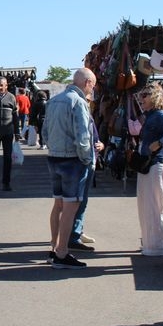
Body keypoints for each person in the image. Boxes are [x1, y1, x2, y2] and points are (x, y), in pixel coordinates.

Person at [42, 68, 96, 270]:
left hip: (54, 158)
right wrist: (87, 159)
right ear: (88, 83)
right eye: (92, 85)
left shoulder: (54, 100)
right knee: (70, 208)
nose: (92, 90)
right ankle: (62, 253)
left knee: (58, 205)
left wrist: (54, 148)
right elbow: (82, 136)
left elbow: (45, 131)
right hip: (72, 161)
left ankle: (54, 248)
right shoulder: (78, 102)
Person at [136, 82, 163, 256]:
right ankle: (150, 243)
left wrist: (159, 143)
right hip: (148, 164)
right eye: (141, 95)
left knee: (156, 205)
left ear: (155, 97)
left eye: (145, 95)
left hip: (157, 163)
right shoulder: (150, 116)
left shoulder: (161, 116)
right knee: (146, 205)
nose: (141, 99)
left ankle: (158, 245)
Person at [68, 93, 104, 253]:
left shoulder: (88, 115)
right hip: (83, 162)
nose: (90, 102)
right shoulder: (78, 115)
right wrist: (86, 158)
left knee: (80, 200)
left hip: (89, 159)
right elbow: (81, 139)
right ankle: (73, 236)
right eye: (88, 100)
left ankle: (77, 231)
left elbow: (94, 137)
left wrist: (100, 144)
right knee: (78, 201)